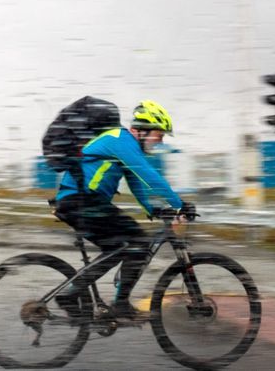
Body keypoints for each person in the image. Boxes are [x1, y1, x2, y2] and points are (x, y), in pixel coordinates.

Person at [51, 99, 194, 320]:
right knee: (138, 243)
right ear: (144, 130)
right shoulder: (120, 139)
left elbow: (135, 181)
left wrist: (153, 209)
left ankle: (79, 296)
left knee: (121, 247)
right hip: (82, 202)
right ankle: (112, 303)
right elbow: (148, 175)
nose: (161, 140)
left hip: (83, 202)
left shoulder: (126, 145)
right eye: (160, 134)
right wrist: (179, 204)